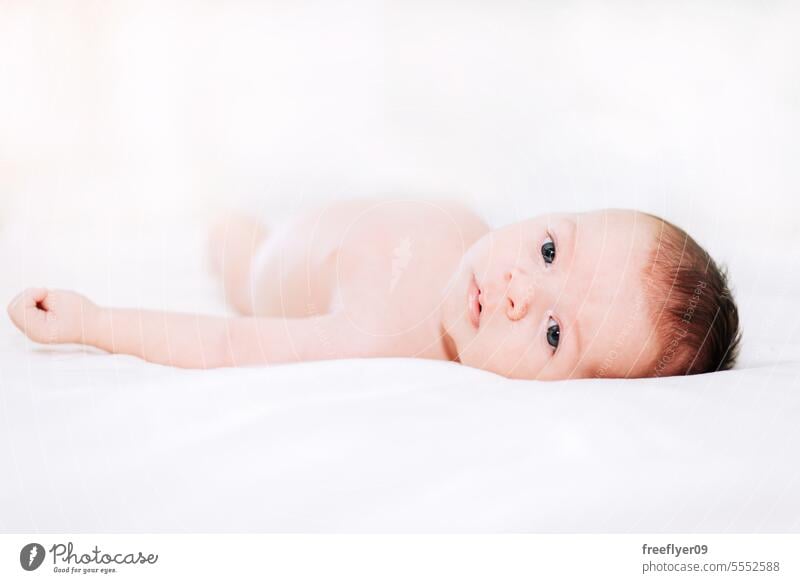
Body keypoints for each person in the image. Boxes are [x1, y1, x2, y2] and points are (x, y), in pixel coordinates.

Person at [6, 199, 741, 380]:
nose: (520, 288)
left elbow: (228, 341)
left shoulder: (379, 340)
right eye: (549, 248)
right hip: (321, 212)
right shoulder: (475, 228)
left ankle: (222, 222)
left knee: (235, 245)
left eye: (553, 334)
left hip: (268, 263)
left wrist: (93, 320)